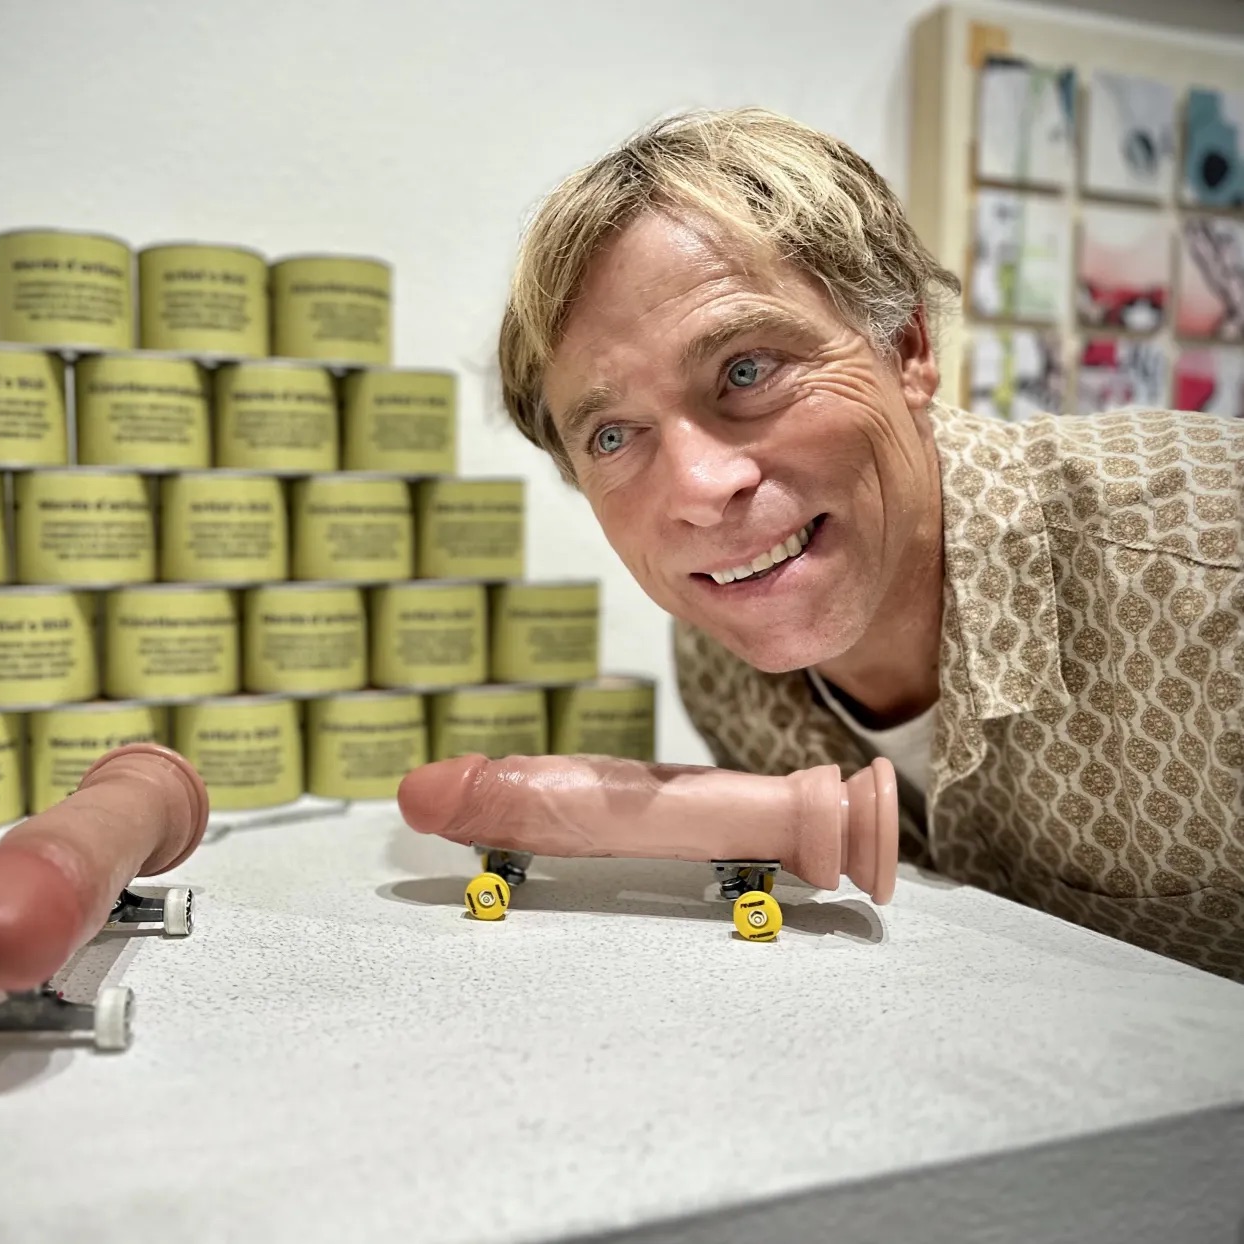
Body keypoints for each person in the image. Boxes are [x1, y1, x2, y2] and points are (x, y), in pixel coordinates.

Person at [399, 107, 1243, 982]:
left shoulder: (1209, 577)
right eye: (613, 436)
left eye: (748, 370)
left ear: (909, 346)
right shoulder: (724, 662)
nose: (698, 490)